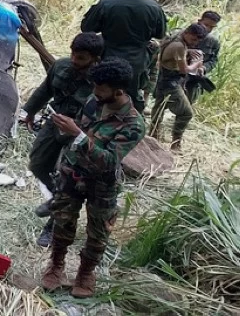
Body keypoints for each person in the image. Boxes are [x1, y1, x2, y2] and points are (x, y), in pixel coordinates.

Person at [41, 57, 145, 298]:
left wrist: (77, 135)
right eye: (95, 86)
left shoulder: (133, 124)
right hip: (72, 172)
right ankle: (56, 266)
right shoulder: (94, 100)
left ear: (118, 91)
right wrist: (65, 128)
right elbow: (82, 127)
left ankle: (86, 273)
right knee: (62, 220)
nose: (95, 91)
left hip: (102, 183)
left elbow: (109, 160)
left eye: (101, 88)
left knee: (98, 232)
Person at [22, 32, 104, 248]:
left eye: (82, 58)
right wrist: (29, 112)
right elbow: (45, 90)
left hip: (82, 131)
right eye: (74, 55)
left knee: (69, 179)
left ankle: (53, 225)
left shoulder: (102, 81)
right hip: (56, 121)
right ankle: (56, 196)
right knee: (37, 164)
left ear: (95, 58)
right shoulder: (61, 66)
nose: (76, 61)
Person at [80, 0, 166, 111]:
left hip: (108, 56)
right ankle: (132, 126)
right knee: (132, 96)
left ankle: (96, 125)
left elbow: (87, 28)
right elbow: (160, 33)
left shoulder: (106, 4)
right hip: (138, 60)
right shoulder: (153, 7)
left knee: (102, 94)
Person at [150, 22, 208, 150]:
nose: (195, 42)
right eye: (193, 39)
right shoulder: (179, 46)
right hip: (171, 83)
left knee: (159, 107)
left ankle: (153, 135)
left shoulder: (177, 37)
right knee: (187, 113)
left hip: (163, 78)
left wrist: (189, 51)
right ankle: (176, 143)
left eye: (198, 40)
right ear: (187, 33)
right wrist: (197, 64)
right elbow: (184, 70)